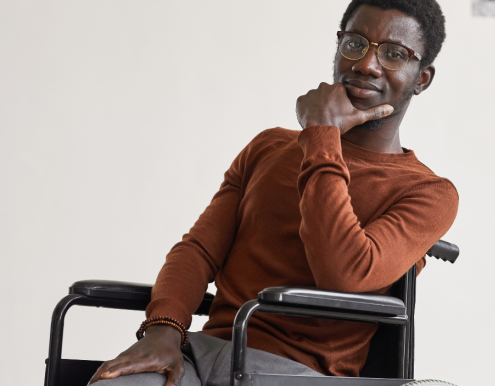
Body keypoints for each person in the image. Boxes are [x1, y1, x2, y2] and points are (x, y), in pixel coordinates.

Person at [89, 1, 457, 385]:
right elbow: (197, 250)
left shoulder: (428, 193)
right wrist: (163, 330)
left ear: (422, 78)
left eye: (395, 55)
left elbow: (342, 275)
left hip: (303, 374)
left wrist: (321, 136)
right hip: (204, 355)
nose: (366, 64)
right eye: (355, 43)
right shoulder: (269, 148)